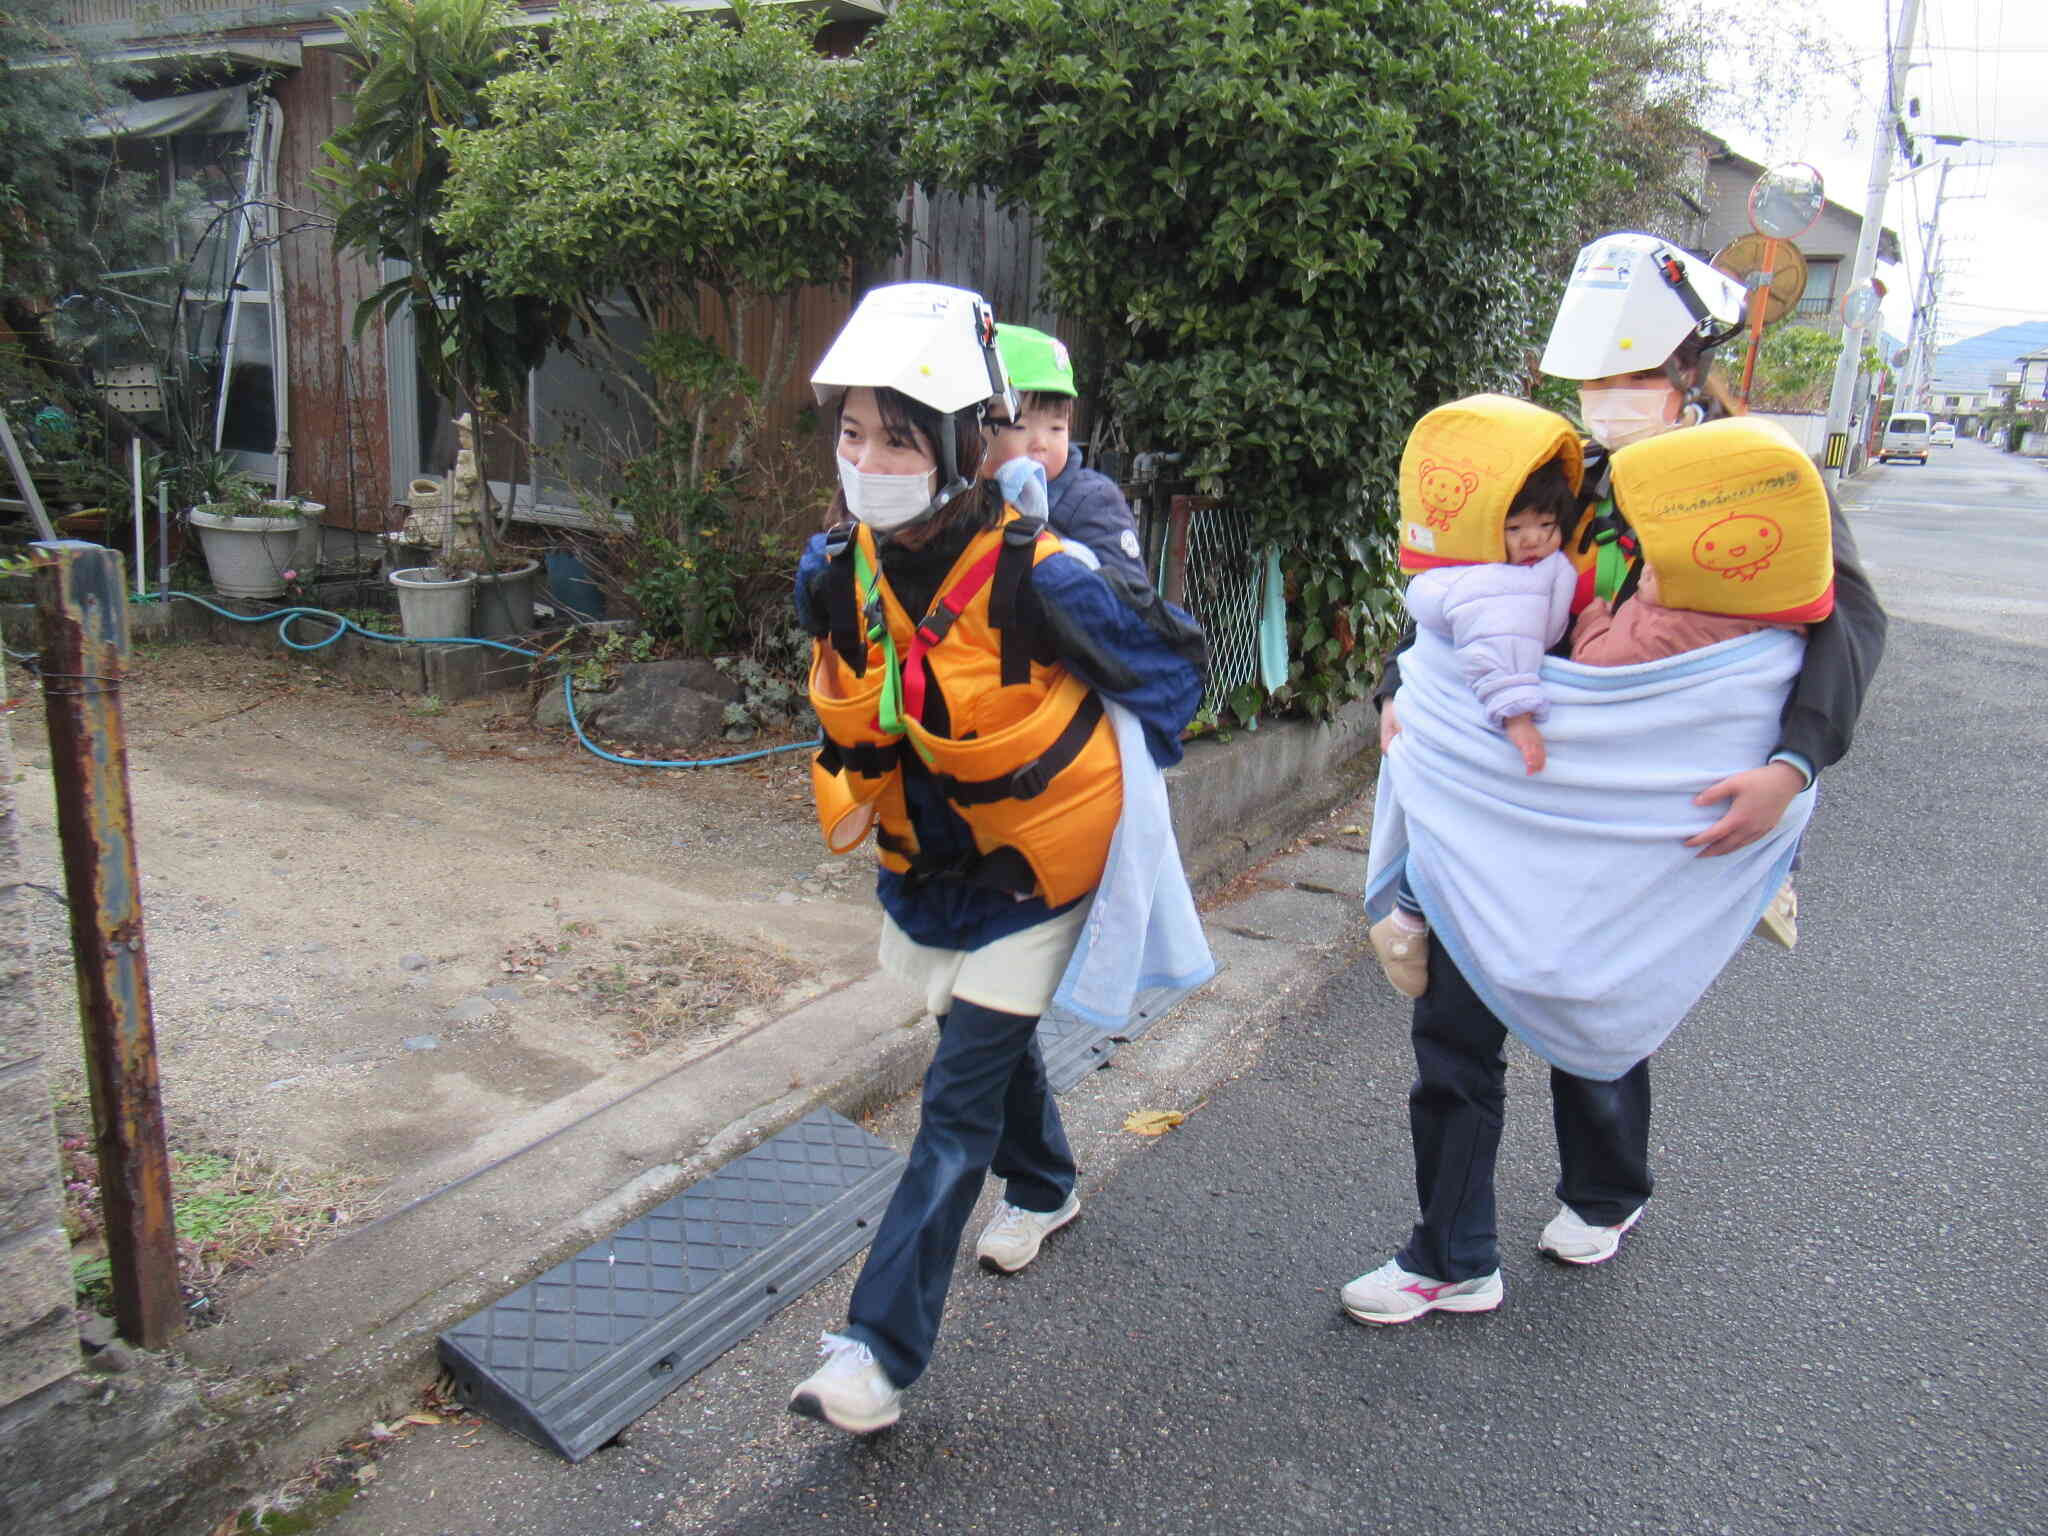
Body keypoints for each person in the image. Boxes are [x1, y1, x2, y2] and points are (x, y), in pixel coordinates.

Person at [1347, 233, 1886, 1324]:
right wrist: (1401, 697)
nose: (1610, 399)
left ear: (1688, 369)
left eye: (1634, 375)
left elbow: (1843, 622)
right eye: (1596, 378)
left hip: (1643, 804)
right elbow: (1454, 597)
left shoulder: (1753, 482)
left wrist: (1789, 765)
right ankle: (1448, 1255)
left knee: (1591, 996)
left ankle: (1605, 1186)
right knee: (1453, 1027)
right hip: (1504, 790)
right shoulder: (1550, 475)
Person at [787, 283, 1206, 1432]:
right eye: (852, 433)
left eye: (898, 438)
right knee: (975, 1042)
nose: (866, 460)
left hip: (1033, 876)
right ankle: (1052, 1182)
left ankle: (873, 1352)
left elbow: (1173, 673)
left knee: (953, 1099)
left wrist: (1113, 796)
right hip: (926, 873)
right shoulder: (834, 572)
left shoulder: (1046, 572)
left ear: (967, 444)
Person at [1366, 395, 1585, 999]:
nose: (1534, 540)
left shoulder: (1540, 557)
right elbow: (1501, 652)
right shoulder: (1494, 582)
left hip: (1501, 729)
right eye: (1515, 529)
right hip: (1487, 722)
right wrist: (1518, 720)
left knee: (1455, 837)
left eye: (1546, 527)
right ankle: (1408, 922)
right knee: (1448, 836)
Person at [978, 323, 1150, 585]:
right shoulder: (969, 498)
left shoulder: (1092, 500)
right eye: (1020, 426)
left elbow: (1130, 594)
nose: (1041, 443)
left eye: (1057, 427)